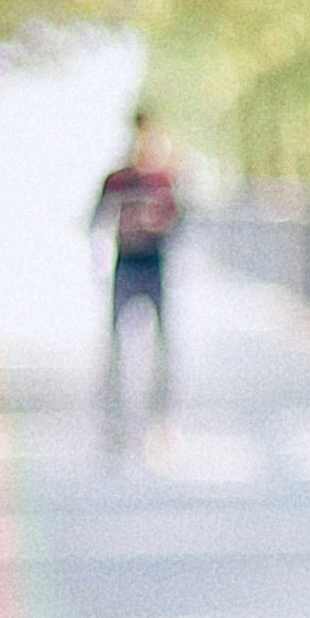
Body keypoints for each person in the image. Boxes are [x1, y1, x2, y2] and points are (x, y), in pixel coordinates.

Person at [89, 108, 183, 426]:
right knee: (115, 343)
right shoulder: (117, 180)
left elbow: (179, 221)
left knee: (162, 343)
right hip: (126, 264)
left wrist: (159, 222)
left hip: (153, 264)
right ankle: (112, 415)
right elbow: (97, 220)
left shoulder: (164, 180)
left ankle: (161, 417)